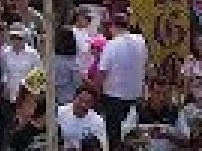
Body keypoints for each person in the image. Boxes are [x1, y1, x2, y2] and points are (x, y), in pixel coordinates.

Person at [92, 12, 147, 149]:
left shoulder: (111, 45)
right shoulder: (141, 41)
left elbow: (102, 73)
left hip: (114, 98)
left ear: (112, 27)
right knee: (133, 135)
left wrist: (95, 92)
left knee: (114, 136)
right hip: (136, 96)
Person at [120, 76, 188, 151]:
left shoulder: (176, 112)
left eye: (165, 94)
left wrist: (167, 135)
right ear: (150, 92)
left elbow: (186, 141)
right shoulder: (137, 110)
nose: (161, 97)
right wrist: (143, 133)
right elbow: (125, 137)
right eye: (158, 93)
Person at [57, 85, 108, 150]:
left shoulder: (98, 120)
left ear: (92, 105)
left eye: (87, 102)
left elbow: (102, 146)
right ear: (74, 98)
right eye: (81, 100)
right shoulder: (60, 111)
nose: (82, 104)